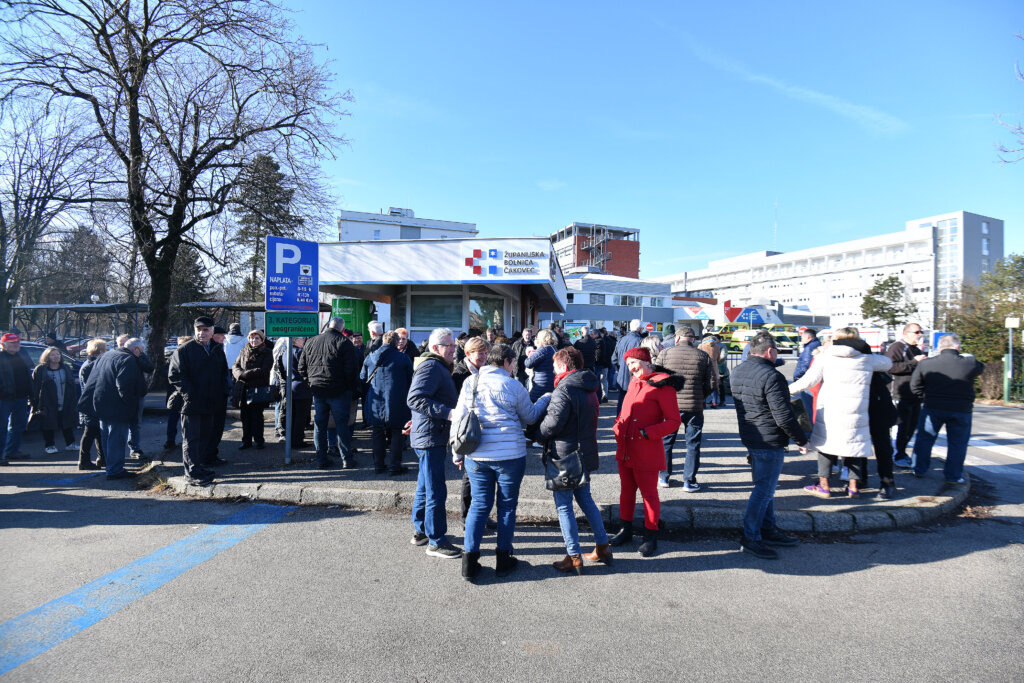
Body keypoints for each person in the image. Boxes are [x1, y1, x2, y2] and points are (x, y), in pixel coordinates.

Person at [453, 343, 551, 582]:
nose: (513, 368)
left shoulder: (471, 382)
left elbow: (459, 417)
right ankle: (503, 560)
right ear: (507, 361)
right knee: (506, 506)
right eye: (513, 363)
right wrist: (546, 398)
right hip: (509, 455)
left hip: (476, 455)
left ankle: (470, 562)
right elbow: (529, 417)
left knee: (478, 505)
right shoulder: (512, 385)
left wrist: (457, 453)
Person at [788, 327, 892, 499]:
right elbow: (887, 363)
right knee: (853, 447)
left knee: (826, 446)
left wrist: (783, 390)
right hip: (857, 410)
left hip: (830, 409)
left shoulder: (825, 356)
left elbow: (807, 381)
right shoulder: (866, 359)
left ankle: (824, 486)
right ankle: (853, 488)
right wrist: (865, 350)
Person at [731, 333, 807, 559]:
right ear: (770, 351)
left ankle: (767, 528)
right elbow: (784, 416)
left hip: (751, 435)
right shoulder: (772, 376)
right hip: (769, 438)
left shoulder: (738, 371)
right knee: (764, 490)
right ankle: (751, 537)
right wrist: (802, 439)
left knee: (766, 488)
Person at [537, 347, 609, 574]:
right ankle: (603, 546)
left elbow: (552, 424)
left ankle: (573, 555)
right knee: (586, 499)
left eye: (554, 365)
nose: (552, 369)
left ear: (563, 366)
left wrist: (535, 432)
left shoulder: (563, 388)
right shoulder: (589, 385)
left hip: (565, 454)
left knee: (564, 505)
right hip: (584, 450)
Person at [609, 347, 683, 557]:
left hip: (646, 449)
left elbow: (674, 421)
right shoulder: (634, 381)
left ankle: (651, 536)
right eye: (629, 364)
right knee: (627, 491)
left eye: (634, 362)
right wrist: (616, 426)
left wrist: (648, 433)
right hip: (625, 447)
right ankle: (625, 530)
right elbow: (624, 411)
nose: (631, 368)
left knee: (649, 495)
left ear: (646, 361)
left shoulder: (662, 385)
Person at [406, 327, 461, 559]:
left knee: (425, 486)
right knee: (436, 489)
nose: (453, 349)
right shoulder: (431, 366)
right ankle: (436, 542)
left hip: (428, 434)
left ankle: (421, 532)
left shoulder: (435, 366)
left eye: (454, 345)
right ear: (436, 348)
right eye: (449, 345)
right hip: (430, 437)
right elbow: (415, 398)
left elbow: (425, 399)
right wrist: (448, 413)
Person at [910, 334, 984, 483]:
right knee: (957, 443)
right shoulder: (969, 363)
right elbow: (981, 367)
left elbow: (914, 386)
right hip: (961, 409)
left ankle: (918, 469)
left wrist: (925, 397)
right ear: (957, 347)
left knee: (925, 439)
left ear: (939, 348)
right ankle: (953, 475)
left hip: (933, 406)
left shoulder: (926, 364)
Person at [168, 316, 230, 486]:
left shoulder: (217, 349)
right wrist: (190, 395)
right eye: (199, 329)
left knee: (205, 437)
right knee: (192, 439)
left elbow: (223, 373)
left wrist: (223, 392)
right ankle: (192, 474)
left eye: (206, 330)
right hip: (192, 403)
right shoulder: (185, 350)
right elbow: (175, 375)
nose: (202, 333)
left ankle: (199, 467)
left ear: (212, 332)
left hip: (211, 402)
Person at [78, 337, 146, 480]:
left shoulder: (107, 355)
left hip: (100, 402)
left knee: (106, 436)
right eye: (141, 352)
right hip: (117, 405)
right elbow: (124, 385)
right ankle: (115, 469)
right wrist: (130, 405)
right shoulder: (128, 360)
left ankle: (110, 466)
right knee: (117, 437)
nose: (141, 355)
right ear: (136, 349)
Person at [298, 316, 360, 469]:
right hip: (339, 391)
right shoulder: (344, 343)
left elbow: (301, 367)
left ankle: (321, 459)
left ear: (328, 326)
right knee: (342, 425)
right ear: (341, 328)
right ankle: (347, 459)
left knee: (320, 425)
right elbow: (351, 370)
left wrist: (310, 382)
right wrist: (349, 388)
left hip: (318, 390)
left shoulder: (311, 341)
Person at [657, 327, 713, 490]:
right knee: (693, 443)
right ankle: (689, 481)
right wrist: (700, 395)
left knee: (666, 442)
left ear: (677, 339)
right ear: (693, 340)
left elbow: (656, 379)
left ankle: (664, 477)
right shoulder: (703, 356)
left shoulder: (665, 354)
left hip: (669, 406)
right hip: (694, 407)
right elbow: (712, 383)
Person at [361, 330, 414, 476]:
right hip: (397, 399)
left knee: (377, 432)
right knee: (398, 432)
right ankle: (394, 466)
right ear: (397, 342)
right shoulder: (403, 358)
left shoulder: (370, 357)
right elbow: (411, 381)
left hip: (375, 399)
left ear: (383, 341)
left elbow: (363, 377)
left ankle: (378, 465)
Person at [451, 336, 491, 521]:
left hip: (482, 428)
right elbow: (458, 407)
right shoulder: (460, 373)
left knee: (483, 478)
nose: (484, 356)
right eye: (479, 353)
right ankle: (467, 517)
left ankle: (481, 515)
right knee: (469, 477)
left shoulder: (485, 371)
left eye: (485, 352)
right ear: (468, 353)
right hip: (467, 429)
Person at [885, 323, 927, 468]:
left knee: (911, 426)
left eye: (921, 332)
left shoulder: (916, 349)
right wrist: (914, 362)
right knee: (900, 426)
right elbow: (891, 367)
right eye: (917, 332)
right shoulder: (897, 347)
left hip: (915, 395)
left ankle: (901, 452)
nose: (920, 334)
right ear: (906, 333)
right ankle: (896, 455)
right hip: (899, 394)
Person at [31, 346, 81, 454]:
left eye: (58, 354)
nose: (56, 357)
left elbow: (71, 385)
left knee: (67, 422)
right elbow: (35, 387)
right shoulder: (41, 369)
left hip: (65, 400)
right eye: (53, 355)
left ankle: (70, 443)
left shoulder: (66, 368)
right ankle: (49, 445)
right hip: (47, 402)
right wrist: (34, 402)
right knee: (48, 424)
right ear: (47, 357)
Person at [232, 329, 273, 450]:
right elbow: (236, 365)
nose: (253, 341)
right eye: (251, 338)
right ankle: (246, 440)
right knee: (245, 416)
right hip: (244, 388)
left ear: (261, 340)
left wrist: (246, 374)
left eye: (257, 338)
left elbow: (265, 370)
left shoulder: (267, 352)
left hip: (257, 388)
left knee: (257, 416)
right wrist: (239, 374)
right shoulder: (244, 350)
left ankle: (259, 440)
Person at [0, 333, 32, 464]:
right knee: (1, 428)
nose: (16, 345)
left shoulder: (22, 356)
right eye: (13, 343)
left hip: (21, 397)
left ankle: (11, 451)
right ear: (4, 345)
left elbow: (28, 375)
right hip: (4, 398)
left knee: (18, 425)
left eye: (17, 342)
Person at [275, 337, 312, 448]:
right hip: (301, 387)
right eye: (301, 338)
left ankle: (292, 439)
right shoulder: (299, 352)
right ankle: (297, 441)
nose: (304, 340)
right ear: (295, 340)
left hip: (290, 386)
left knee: (293, 416)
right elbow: (305, 369)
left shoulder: (285, 352)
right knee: (300, 417)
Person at [78, 339, 107, 469]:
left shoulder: (90, 364)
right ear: (101, 351)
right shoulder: (90, 366)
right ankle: (83, 461)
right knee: (89, 433)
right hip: (91, 404)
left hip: (92, 404)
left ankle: (102, 458)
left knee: (97, 433)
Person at [162, 336, 192, 451]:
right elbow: (164, 371)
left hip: (186, 393)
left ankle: (187, 440)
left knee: (187, 420)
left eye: (181, 345)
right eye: (179, 345)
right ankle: (170, 440)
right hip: (174, 393)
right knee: (173, 418)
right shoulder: (173, 356)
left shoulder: (192, 357)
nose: (179, 347)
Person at [612, 319, 644, 413]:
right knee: (633, 405)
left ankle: (619, 424)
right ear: (640, 329)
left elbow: (614, 359)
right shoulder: (639, 340)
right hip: (634, 378)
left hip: (622, 378)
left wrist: (620, 368)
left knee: (621, 404)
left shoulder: (621, 339)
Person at [792, 328, 820, 419]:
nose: (801, 339)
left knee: (809, 409)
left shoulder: (809, 348)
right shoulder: (815, 345)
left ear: (808, 337)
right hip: (813, 383)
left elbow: (805, 366)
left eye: (802, 337)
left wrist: (797, 377)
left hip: (807, 382)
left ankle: (811, 430)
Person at [524, 329, 558, 402]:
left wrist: (529, 354)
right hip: (551, 382)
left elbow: (528, 363)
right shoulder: (554, 349)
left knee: (536, 408)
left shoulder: (544, 350)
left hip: (541, 385)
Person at [597, 328, 616, 400]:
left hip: (600, 363)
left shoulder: (599, 340)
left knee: (599, 379)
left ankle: (600, 396)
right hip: (606, 363)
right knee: (604, 380)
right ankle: (605, 395)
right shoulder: (609, 340)